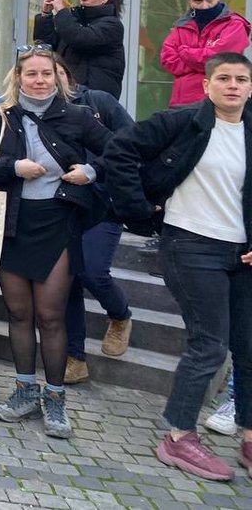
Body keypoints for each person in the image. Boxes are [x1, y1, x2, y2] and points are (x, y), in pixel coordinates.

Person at [104, 51, 252, 480]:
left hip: (241, 253)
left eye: (241, 79)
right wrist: (142, 213)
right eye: (223, 78)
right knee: (210, 345)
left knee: (249, 347)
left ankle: (248, 438)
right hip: (191, 246)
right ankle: (179, 437)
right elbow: (119, 152)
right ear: (206, 85)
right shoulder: (182, 122)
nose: (232, 86)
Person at [0, 45, 111, 438]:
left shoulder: (77, 116)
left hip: (57, 224)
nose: (39, 80)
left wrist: (91, 172)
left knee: (51, 315)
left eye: (46, 73)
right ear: (19, 77)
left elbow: (120, 151)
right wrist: (13, 167)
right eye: (32, 74)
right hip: (11, 225)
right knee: (18, 313)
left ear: (58, 77)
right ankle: (25, 389)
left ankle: (56, 398)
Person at [55, 59, 135, 385]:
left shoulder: (99, 102)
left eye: (54, 72)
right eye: (39, 73)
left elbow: (131, 143)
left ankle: (120, 315)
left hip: (105, 202)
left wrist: (95, 170)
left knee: (91, 270)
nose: (48, 80)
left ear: (68, 75)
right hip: (64, 207)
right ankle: (75, 356)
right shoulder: (39, 113)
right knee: (68, 279)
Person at [161, 0, 251, 108]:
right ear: (189, 1)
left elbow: (219, 61)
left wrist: (185, 52)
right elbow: (168, 61)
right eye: (198, 1)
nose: (205, 5)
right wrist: (203, 61)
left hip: (218, 104)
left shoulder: (235, 25)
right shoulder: (181, 27)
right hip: (181, 104)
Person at [34, 0, 125, 98]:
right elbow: (45, 47)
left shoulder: (112, 25)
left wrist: (61, 10)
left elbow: (80, 38)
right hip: (67, 94)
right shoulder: (72, 21)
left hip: (94, 100)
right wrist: (46, 14)